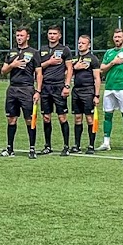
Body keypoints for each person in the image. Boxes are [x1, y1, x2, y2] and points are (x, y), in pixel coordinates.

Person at [0, 27, 42, 159]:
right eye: (17, 35)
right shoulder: (12, 52)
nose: (19, 38)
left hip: (27, 89)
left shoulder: (34, 53)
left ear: (27, 37)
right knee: (11, 119)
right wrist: (13, 65)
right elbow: (3, 71)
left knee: (29, 119)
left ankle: (32, 148)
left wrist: (38, 91)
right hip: (12, 89)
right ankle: (10, 148)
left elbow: (39, 73)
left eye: (21, 35)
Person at [98, 29, 123, 152]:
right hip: (109, 87)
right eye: (115, 37)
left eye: (119, 37)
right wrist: (113, 62)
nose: (117, 39)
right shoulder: (109, 53)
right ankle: (106, 142)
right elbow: (102, 69)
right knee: (107, 115)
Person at [37, 25, 73, 155]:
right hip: (45, 87)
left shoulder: (65, 50)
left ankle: (66, 146)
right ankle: (47, 146)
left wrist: (67, 85)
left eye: (54, 33)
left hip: (59, 86)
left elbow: (69, 68)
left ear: (59, 36)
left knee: (62, 117)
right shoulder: (42, 50)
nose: (52, 36)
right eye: (50, 33)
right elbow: (38, 68)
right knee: (46, 117)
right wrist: (49, 62)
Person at [70, 35, 101, 154]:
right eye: (79, 43)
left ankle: (91, 145)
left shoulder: (93, 59)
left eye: (83, 43)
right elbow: (67, 73)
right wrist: (75, 67)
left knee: (89, 118)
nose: (80, 45)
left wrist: (96, 95)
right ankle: (77, 145)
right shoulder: (74, 59)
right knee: (77, 118)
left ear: (89, 45)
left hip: (88, 91)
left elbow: (97, 78)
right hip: (76, 91)